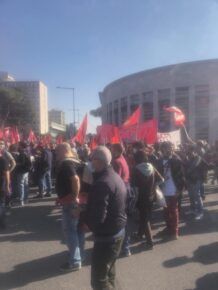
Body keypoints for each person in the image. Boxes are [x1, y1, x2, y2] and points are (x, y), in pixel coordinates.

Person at [86, 146, 127, 290]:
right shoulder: (114, 176)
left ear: (99, 161)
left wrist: (83, 217)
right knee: (109, 273)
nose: (90, 163)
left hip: (107, 236)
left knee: (99, 280)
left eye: (92, 160)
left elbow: (98, 217)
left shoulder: (103, 182)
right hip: (117, 231)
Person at [55, 142, 83, 272]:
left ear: (64, 150)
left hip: (70, 202)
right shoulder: (74, 161)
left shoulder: (67, 163)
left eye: (57, 151)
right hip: (72, 201)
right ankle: (77, 255)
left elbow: (75, 179)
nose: (56, 154)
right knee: (77, 230)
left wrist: (73, 196)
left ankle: (75, 261)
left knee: (70, 230)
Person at [157, 142, 186, 240]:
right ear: (162, 149)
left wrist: (180, 189)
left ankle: (175, 232)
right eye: (166, 148)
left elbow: (182, 176)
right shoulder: (160, 161)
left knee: (173, 211)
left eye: (170, 147)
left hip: (173, 190)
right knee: (165, 211)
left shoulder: (176, 160)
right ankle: (169, 228)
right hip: (163, 190)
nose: (168, 150)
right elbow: (157, 175)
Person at [132, 150, 156, 249]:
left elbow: (135, 186)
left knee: (144, 219)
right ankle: (139, 235)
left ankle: (150, 242)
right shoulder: (151, 167)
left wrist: (133, 200)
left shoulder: (136, 169)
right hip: (151, 195)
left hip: (141, 197)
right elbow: (158, 180)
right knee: (145, 217)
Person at [111, 143, 131, 257]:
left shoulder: (117, 162)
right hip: (126, 189)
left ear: (117, 150)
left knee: (119, 220)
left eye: (112, 149)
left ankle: (123, 247)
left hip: (120, 191)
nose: (111, 151)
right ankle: (126, 247)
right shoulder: (123, 159)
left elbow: (115, 179)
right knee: (124, 219)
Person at [185, 145, 208, 220]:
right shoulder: (189, 158)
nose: (189, 154)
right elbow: (186, 166)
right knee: (191, 195)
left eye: (190, 152)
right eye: (188, 153)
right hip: (190, 179)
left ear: (194, 151)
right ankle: (193, 209)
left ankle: (200, 212)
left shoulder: (198, 157)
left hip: (197, 179)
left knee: (197, 196)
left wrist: (186, 171)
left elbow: (193, 166)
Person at [16, 142, 32, 206]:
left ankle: (21, 200)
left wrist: (16, 163)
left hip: (22, 171)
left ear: (21, 146)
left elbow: (21, 163)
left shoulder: (22, 153)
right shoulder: (27, 152)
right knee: (25, 185)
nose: (18, 146)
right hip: (26, 171)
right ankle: (26, 199)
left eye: (19, 145)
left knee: (21, 185)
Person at [0, 152, 10, 229]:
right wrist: (7, 186)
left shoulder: (3, 160)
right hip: (2, 185)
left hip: (1, 185)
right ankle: (2, 224)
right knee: (2, 205)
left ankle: (2, 223)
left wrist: (7, 186)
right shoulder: (3, 160)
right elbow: (7, 174)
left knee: (1, 204)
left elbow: (6, 173)